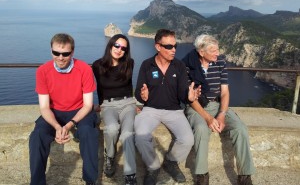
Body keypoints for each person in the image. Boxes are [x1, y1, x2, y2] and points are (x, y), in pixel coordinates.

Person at [182, 34, 255, 185]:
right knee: (201, 129)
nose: (218, 53)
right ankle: (202, 175)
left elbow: (225, 92)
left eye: (218, 49)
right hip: (197, 107)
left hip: (218, 105)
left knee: (240, 129)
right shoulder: (187, 66)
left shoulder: (220, 62)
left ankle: (245, 175)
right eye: (213, 50)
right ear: (201, 52)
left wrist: (221, 114)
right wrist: (208, 118)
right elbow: (191, 99)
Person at [29, 33, 99, 185]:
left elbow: (88, 105)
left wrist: (69, 125)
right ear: (51, 51)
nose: (60, 57)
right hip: (54, 111)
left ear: (72, 52)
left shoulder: (84, 69)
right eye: (56, 53)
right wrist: (56, 126)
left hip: (80, 110)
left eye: (65, 54)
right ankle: (37, 182)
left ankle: (90, 180)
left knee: (88, 133)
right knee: (37, 135)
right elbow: (44, 107)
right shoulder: (43, 71)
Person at [134, 29, 200, 185]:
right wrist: (141, 96)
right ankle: (153, 167)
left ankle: (171, 162)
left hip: (174, 110)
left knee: (187, 139)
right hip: (150, 109)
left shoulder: (179, 66)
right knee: (141, 136)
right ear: (158, 47)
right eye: (169, 46)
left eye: (175, 45)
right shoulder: (147, 65)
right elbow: (138, 92)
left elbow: (183, 93)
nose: (174, 50)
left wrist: (189, 97)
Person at [92, 34, 137, 185]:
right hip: (108, 105)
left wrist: (134, 104)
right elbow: (98, 87)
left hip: (127, 103)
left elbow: (129, 85)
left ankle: (130, 175)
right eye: (117, 45)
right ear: (110, 45)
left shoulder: (129, 63)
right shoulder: (97, 65)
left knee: (127, 134)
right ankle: (110, 156)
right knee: (111, 129)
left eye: (123, 48)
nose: (119, 50)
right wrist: (100, 104)